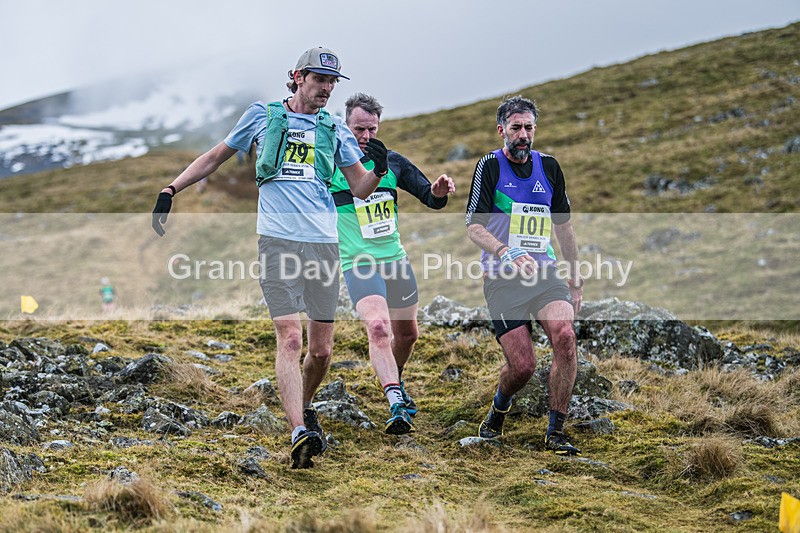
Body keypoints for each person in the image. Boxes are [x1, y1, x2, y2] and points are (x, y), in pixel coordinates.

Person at [151, 47, 388, 469]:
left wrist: (379, 171)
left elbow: (359, 188)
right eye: (319, 79)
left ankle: (305, 406)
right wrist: (171, 189)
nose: (327, 88)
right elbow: (215, 157)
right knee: (290, 338)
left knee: (322, 351)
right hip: (277, 242)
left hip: (322, 244)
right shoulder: (261, 115)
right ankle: (298, 432)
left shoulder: (334, 128)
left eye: (332, 82)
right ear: (298, 77)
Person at [329, 93, 455, 434]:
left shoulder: (392, 162)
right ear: (345, 126)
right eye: (359, 129)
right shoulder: (331, 165)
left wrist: (439, 190)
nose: (366, 136)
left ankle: (393, 378)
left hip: (396, 261)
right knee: (378, 328)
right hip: (359, 262)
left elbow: (430, 198)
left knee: (408, 334)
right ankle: (396, 400)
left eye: (372, 129)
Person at [465, 95, 583, 455]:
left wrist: (575, 277)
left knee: (565, 337)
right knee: (523, 367)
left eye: (529, 127)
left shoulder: (549, 167)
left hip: (544, 274)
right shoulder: (490, 166)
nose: (523, 134)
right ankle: (499, 407)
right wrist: (506, 251)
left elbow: (563, 226)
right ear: (501, 130)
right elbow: (474, 227)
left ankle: (555, 432)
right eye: (516, 127)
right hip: (502, 279)